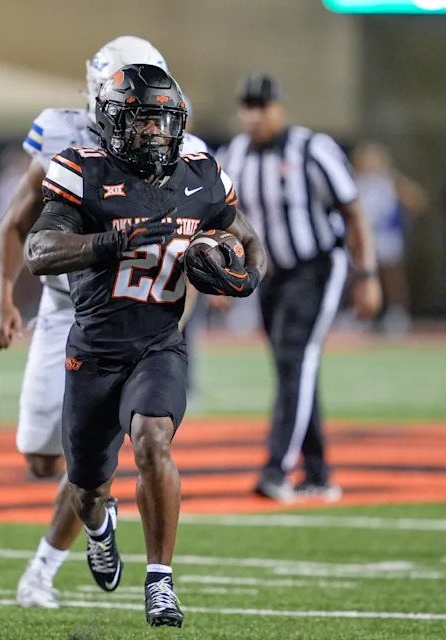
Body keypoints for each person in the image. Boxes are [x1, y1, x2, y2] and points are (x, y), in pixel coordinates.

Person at [24, 64, 266, 627]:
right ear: (113, 122)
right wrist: (115, 241)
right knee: (87, 489)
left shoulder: (201, 175)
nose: (157, 131)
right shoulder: (81, 170)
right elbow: (39, 251)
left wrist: (243, 280)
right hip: (93, 350)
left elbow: (251, 242)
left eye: (165, 119)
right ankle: (99, 526)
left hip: (159, 342)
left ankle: (160, 583)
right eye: (144, 119)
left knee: (153, 441)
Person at [0, 36, 209, 609]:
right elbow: (21, 227)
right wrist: (3, 300)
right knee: (47, 460)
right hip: (67, 306)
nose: (153, 124)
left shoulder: (189, 156)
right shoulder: (63, 140)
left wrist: (167, 325)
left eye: (160, 112)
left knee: (137, 440)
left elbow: (223, 237)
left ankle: (44, 567)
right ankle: (95, 503)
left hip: (140, 316)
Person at [217, 74, 381, 502]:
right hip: (270, 273)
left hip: (318, 266)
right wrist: (219, 273)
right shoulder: (232, 154)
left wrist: (366, 276)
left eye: (262, 106)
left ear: (279, 109)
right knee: (293, 367)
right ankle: (319, 472)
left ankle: (276, 469)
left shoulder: (311, 148)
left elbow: (353, 212)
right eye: (247, 107)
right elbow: (220, 221)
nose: (254, 116)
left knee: (295, 358)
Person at [352, 141, 427, 337]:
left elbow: (417, 201)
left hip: (387, 235)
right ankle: (361, 313)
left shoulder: (390, 180)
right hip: (365, 236)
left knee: (392, 276)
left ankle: (397, 313)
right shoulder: (355, 181)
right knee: (360, 274)